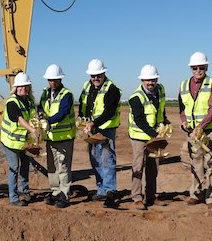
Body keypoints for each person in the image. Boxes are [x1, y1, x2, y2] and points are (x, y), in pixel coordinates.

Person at [179, 52, 212, 211]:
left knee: (211, 163)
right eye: (195, 67)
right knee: (195, 162)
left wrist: (200, 127)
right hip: (193, 132)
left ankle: (210, 196)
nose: (198, 70)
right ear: (191, 68)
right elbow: (182, 107)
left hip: (210, 130)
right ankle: (196, 193)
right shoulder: (184, 85)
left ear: (206, 67)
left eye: (201, 67)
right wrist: (183, 120)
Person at [78, 58, 122, 209]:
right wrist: (83, 120)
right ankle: (101, 190)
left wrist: (93, 123)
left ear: (104, 73)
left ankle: (110, 190)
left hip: (106, 129)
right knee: (95, 160)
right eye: (93, 76)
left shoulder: (112, 89)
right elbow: (82, 103)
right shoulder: (87, 86)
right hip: (92, 129)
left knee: (107, 160)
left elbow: (109, 111)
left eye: (99, 75)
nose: (96, 78)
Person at [128, 65, 168, 210]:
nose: (151, 83)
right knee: (138, 166)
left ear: (157, 79)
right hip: (139, 137)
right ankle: (137, 197)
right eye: (148, 80)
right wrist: (155, 135)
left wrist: (165, 121)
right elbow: (139, 120)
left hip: (154, 136)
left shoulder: (160, 90)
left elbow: (161, 109)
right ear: (142, 80)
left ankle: (151, 195)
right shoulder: (136, 97)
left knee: (153, 167)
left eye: (153, 80)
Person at [39, 64, 75, 209]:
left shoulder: (66, 94)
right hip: (51, 137)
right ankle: (55, 191)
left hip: (64, 136)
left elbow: (63, 112)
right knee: (52, 166)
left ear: (60, 79)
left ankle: (65, 194)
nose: (52, 82)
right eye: (50, 80)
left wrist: (48, 121)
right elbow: (40, 106)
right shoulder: (45, 93)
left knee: (63, 167)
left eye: (55, 80)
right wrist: (40, 114)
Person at [1, 72, 38, 207]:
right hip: (10, 141)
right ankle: (13, 197)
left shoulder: (29, 102)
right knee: (14, 167)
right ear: (15, 88)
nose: (22, 88)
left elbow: (34, 117)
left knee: (25, 165)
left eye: (25, 86)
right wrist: (32, 130)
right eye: (20, 86)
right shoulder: (12, 102)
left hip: (23, 142)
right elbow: (19, 119)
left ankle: (24, 190)